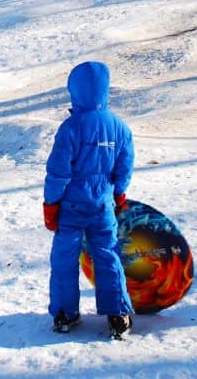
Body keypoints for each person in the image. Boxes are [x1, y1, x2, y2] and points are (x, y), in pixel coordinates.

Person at [44, 61, 135, 339]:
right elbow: (125, 165)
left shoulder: (71, 127)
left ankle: (64, 313)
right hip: (103, 205)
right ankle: (118, 315)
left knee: (64, 259)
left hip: (71, 207)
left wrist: (51, 205)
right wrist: (119, 193)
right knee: (107, 255)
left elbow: (59, 171)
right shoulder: (119, 128)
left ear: (76, 90)